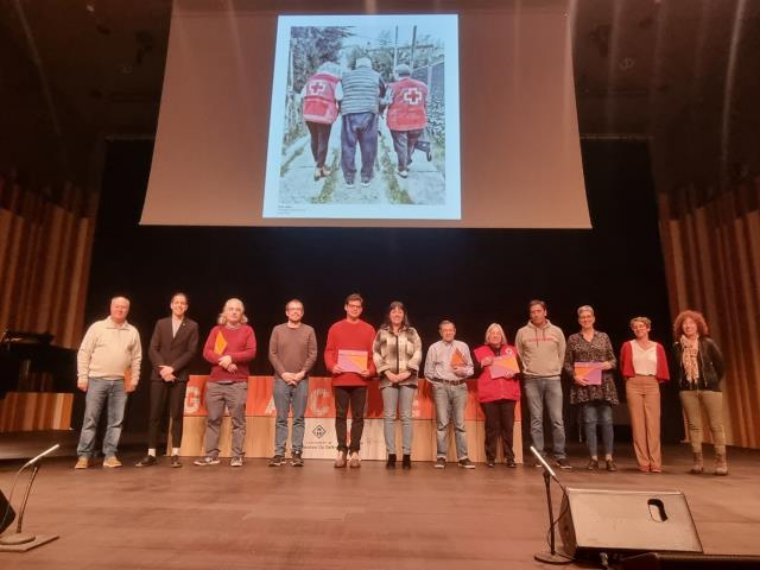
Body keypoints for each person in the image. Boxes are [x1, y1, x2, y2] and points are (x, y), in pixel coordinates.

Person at [74, 296, 142, 469]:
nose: (120, 310)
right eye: (117, 306)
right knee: (91, 419)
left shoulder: (132, 331)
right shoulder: (98, 327)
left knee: (116, 421)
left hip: (120, 382)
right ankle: (84, 456)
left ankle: (110, 455)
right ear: (111, 307)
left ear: (128, 310)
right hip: (97, 379)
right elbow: (84, 352)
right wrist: (82, 376)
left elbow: (136, 359)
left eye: (124, 307)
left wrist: (134, 379)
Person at [136, 292, 199, 468]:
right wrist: (163, 369)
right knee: (155, 415)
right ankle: (151, 453)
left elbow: (191, 351)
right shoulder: (161, 324)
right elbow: (152, 349)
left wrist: (173, 368)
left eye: (182, 303)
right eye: (176, 303)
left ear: (186, 307)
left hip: (179, 376)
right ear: (171, 305)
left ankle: (176, 454)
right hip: (159, 375)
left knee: (176, 415)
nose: (179, 305)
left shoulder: (192, 326)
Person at [195, 298, 256, 468]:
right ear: (225, 312)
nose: (234, 312)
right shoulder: (217, 330)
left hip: (237, 383)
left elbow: (251, 352)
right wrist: (224, 361)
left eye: (237, 309)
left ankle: (237, 455)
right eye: (231, 309)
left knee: (238, 421)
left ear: (242, 313)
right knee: (213, 419)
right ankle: (211, 455)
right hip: (215, 383)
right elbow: (207, 352)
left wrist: (232, 357)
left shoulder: (247, 330)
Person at [515, 300, 571, 469]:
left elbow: (562, 353)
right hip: (531, 380)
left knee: (557, 420)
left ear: (545, 312)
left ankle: (560, 455)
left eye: (539, 311)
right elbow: (519, 354)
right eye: (533, 312)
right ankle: (539, 455)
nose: (536, 314)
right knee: (536, 420)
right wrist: (527, 369)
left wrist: (555, 369)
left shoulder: (557, 331)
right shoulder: (522, 332)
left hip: (553, 379)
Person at [562, 306, 618, 472]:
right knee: (589, 422)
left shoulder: (603, 337)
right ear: (579, 320)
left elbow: (613, 360)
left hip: (604, 385)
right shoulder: (573, 339)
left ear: (593, 318)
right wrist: (574, 376)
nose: (586, 319)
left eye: (588, 316)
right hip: (585, 385)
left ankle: (609, 457)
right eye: (582, 317)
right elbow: (567, 363)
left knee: (607, 422)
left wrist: (608, 364)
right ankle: (593, 458)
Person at [672, 310, 728, 475]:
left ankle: (721, 461)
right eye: (685, 324)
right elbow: (677, 368)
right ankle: (698, 460)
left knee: (716, 425)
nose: (688, 326)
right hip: (688, 390)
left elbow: (720, 366)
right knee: (694, 426)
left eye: (691, 323)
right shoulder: (677, 346)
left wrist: (711, 381)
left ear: (698, 326)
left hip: (710, 388)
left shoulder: (707, 343)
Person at [324, 293, 376, 468]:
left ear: (361, 309)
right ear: (345, 307)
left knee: (358, 417)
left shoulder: (369, 329)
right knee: (340, 416)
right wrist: (332, 366)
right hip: (341, 379)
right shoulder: (335, 328)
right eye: (351, 306)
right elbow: (329, 352)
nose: (355, 309)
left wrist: (370, 371)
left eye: (358, 306)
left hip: (360, 380)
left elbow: (374, 356)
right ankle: (341, 450)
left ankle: (355, 451)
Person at [268, 299, 318, 467]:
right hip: (281, 380)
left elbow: (313, 354)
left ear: (302, 313)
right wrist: (284, 373)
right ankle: (279, 453)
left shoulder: (309, 330)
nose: (295, 312)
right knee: (281, 418)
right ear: (287, 312)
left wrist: (301, 373)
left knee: (298, 418)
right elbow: (272, 354)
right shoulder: (278, 330)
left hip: (301, 380)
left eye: (299, 309)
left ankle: (297, 452)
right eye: (292, 309)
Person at [372, 301, 422, 469]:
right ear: (389, 314)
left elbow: (418, 352)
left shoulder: (412, 332)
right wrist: (387, 372)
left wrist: (407, 372)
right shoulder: (381, 333)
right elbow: (376, 353)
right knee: (389, 416)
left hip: (407, 378)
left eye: (400, 312)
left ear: (404, 315)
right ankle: (391, 455)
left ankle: (407, 455)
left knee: (407, 417)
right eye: (394, 311)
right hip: (388, 378)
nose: (397, 314)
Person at [619, 316, 670, 473]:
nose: (638, 329)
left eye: (641, 326)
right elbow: (623, 365)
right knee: (638, 424)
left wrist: (652, 381)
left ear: (648, 328)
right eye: (635, 327)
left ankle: (655, 462)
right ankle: (643, 462)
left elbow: (662, 367)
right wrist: (631, 380)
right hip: (634, 383)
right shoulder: (628, 346)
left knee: (653, 424)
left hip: (651, 382)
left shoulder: (657, 347)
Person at [424, 320, 476, 469]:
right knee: (442, 424)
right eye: (445, 330)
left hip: (459, 387)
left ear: (455, 331)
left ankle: (463, 457)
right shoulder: (434, 348)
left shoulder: (462, 346)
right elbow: (428, 372)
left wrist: (463, 372)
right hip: (441, 388)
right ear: (440, 332)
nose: (448, 332)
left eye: (451, 330)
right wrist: (438, 383)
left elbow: (471, 368)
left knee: (460, 424)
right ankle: (441, 456)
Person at [473, 323, 520, 468]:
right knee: (491, 427)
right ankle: (491, 457)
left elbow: (521, 372)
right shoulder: (480, 351)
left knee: (508, 427)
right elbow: (471, 372)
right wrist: (481, 364)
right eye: (492, 333)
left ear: (502, 336)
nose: (495, 335)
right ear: (488, 336)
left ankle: (510, 457)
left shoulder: (511, 350)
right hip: (490, 394)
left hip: (508, 394)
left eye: (498, 333)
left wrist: (514, 373)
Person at [336, 56, 386, 188]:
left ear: (356, 66)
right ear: (369, 65)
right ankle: (366, 177)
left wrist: (342, 109)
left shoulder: (345, 76)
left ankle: (349, 178)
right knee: (369, 146)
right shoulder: (376, 75)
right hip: (369, 113)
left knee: (348, 146)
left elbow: (339, 95)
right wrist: (380, 109)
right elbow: (383, 93)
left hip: (349, 114)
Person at [385, 63, 429, 178]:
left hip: (399, 121)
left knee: (401, 145)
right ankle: (407, 161)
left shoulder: (392, 87)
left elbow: (387, 101)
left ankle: (402, 168)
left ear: (396, 74)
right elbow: (425, 103)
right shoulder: (423, 86)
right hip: (418, 120)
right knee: (411, 143)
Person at [302, 61, 341, 181]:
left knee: (314, 138)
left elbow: (302, 95)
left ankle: (319, 164)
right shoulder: (334, 81)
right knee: (323, 140)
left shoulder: (311, 79)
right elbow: (339, 97)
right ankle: (319, 168)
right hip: (324, 113)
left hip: (309, 112)